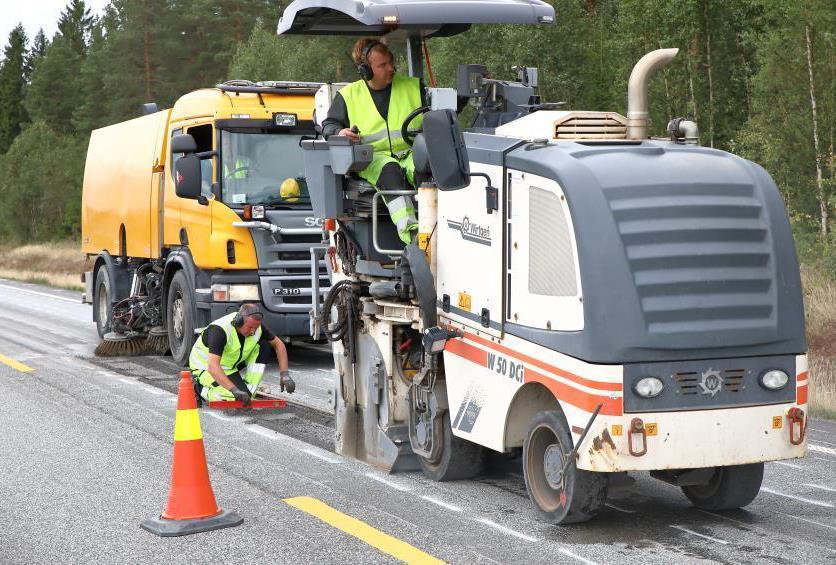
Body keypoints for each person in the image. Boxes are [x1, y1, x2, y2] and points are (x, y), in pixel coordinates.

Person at [322, 38, 426, 244]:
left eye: (391, 62)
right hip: (373, 158)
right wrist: (339, 131)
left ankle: (435, 225)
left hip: (410, 152)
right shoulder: (348, 96)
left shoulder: (413, 87)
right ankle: (412, 236)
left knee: (427, 166)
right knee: (390, 170)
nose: (391, 68)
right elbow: (328, 125)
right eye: (383, 65)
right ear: (366, 70)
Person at [188, 303, 295, 404]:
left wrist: (284, 374)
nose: (253, 331)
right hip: (205, 368)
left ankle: (248, 388)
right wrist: (234, 389)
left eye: (256, 327)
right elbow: (212, 366)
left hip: (229, 367)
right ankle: (197, 389)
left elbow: (279, 344)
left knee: (245, 398)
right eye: (250, 327)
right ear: (238, 321)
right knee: (228, 397)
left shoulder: (256, 326)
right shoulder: (219, 330)